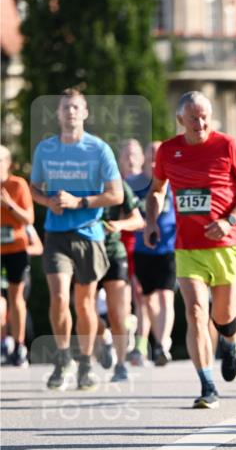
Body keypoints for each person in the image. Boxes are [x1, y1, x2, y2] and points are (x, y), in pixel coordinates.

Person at [143, 91, 236, 408]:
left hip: (227, 244)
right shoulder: (168, 151)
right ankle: (208, 385)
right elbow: (156, 191)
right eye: (194, 117)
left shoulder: (227, 145)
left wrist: (229, 219)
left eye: (205, 115)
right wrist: (151, 220)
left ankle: (231, 343)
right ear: (181, 119)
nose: (201, 121)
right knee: (195, 313)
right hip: (188, 247)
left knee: (224, 316)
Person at [30, 89, 122, 390]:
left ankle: (85, 363)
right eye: (65, 107)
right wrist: (48, 202)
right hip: (56, 234)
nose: (70, 112)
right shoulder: (45, 150)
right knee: (58, 297)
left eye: (75, 107)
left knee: (84, 304)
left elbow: (116, 194)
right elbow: (35, 189)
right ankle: (62, 357)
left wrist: (79, 203)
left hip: (89, 233)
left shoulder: (99, 149)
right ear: (58, 114)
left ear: (85, 113)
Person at [127, 140, 176, 367]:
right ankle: (157, 343)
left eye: (160, 154)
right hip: (142, 248)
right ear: (145, 158)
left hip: (169, 247)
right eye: (152, 154)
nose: (156, 159)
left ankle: (163, 344)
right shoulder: (133, 183)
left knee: (166, 295)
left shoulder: (175, 181)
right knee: (146, 300)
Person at [96, 177, 144, 381]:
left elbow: (139, 220)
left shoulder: (117, 183)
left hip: (113, 251)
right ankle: (104, 337)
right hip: (84, 253)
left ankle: (121, 364)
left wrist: (119, 224)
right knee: (84, 310)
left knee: (117, 313)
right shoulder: (76, 181)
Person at [0, 145, 34, 366]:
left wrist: (9, 206)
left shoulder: (17, 185)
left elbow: (28, 219)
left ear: (7, 163)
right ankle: (4, 343)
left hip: (16, 249)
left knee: (15, 297)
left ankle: (19, 344)